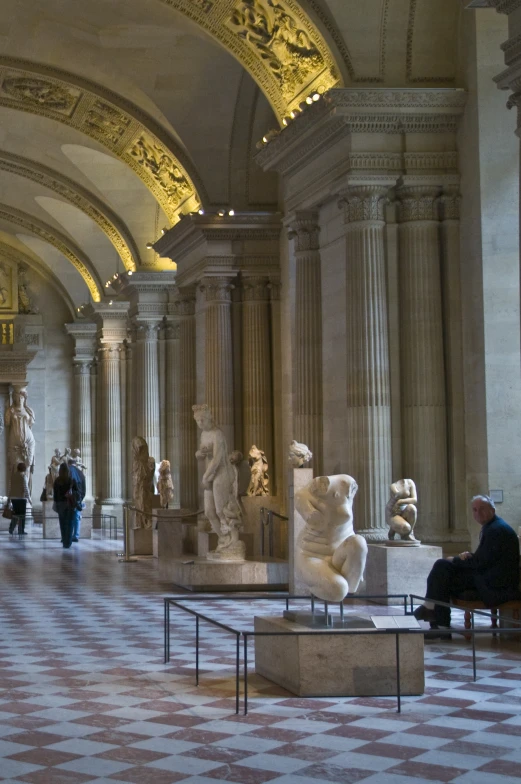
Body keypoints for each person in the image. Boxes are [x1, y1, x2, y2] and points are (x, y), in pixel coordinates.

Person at [414, 495, 520, 636]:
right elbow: (485, 558)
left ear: (492, 510)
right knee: (442, 568)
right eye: (474, 510)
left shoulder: (496, 530)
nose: (478, 513)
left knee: (443, 570)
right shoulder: (493, 526)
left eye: (482, 509)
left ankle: (436, 618)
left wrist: (456, 560)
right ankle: (439, 623)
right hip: (487, 575)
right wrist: (468, 556)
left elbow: (481, 563)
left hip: (494, 583)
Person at [53, 463, 79, 549]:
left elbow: (55, 494)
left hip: (60, 504)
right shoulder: (71, 480)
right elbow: (77, 492)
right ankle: (68, 541)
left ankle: (64, 541)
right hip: (69, 504)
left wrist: (56, 502)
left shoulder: (57, 481)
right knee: (70, 523)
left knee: (62, 523)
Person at [8, 461, 30, 535]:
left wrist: (9, 498)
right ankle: (21, 530)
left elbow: (10, 487)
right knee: (22, 515)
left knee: (15, 514)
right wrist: (29, 498)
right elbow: (26, 488)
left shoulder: (13, 476)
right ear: (24, 469)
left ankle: (11, 528)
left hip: (13, 497)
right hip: (21, 498)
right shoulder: (23, 476)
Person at [67, 457, 86, 542]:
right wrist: (81, 498)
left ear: (69, 464)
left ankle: (69, 535)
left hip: (69, 498)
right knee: (77, 517)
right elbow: (84, 488)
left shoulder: (68, 471)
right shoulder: (81, 473)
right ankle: (76, 535)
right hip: (78, 498)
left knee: (69, 518)